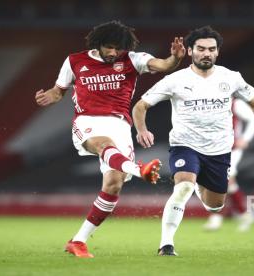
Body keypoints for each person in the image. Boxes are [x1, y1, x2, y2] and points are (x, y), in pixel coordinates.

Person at [133, 26, 254, 256]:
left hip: (219, 150)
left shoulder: (231, 78)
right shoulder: (175, 80)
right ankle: (166, 244)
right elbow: (140, 106)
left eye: (211, 49)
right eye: (201, 49)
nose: (206, 53)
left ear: (217, 52)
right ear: (190, 51)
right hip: (185, 145)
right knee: (183, 187)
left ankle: (198, 181)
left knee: (215, 205)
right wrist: (142, 130)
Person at [34, 20, 185, 258]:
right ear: (98, 44)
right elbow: (59, 90)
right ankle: (139, 169)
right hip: (88, 121)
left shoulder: (133, 59)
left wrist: (175, 58)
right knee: (104, 145)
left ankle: (78, 241)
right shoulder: (75, 61)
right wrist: (49, 97)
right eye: (109, 47)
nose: (114, 53)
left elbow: (163, 65)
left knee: (114, 184)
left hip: (120, 125)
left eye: (118, 48)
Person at [203, 98, 254, 232]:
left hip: (232, 149)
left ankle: (216, 218)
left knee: (224, 180)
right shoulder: (208, 102)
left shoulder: (235, 103)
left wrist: (245, 139)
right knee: (227, 183)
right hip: (213, 148)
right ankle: (244, 214)